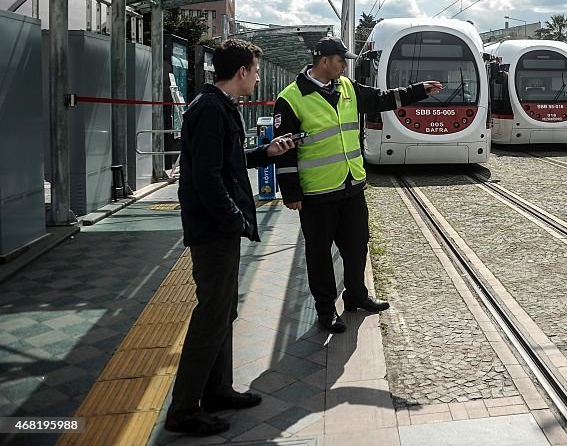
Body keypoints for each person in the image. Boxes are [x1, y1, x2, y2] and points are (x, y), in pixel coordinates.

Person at [166, 39, 297, 437]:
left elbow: (228, 162)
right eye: (256, 71)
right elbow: (206, 176)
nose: (257, 77)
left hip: (219, 228)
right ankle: (185, 409)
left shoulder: (219, 107)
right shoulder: (209, 110)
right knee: (211, 316)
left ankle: (217, 389)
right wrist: (234, 218)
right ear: (242, 71)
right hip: (214, 231)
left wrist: (266, 153)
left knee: (224, 312)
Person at [274, 37, 443, 333]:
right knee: (319, 255)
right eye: (341, 60)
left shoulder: (347, 87)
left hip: (351, 186)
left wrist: (419, 91)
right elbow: (283, 149)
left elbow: (382, 98)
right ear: (324, 61)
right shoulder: (290, 98)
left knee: (356, 246)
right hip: (317, 193)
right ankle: (326, 310)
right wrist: (291, 192)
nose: (345, 64)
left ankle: (356, 295)